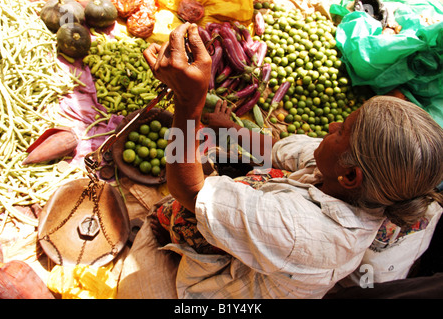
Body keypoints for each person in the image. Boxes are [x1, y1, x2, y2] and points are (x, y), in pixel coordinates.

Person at [139, 22, 443, 298]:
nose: (332, 127)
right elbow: (277, 150)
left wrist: (188, 102)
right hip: (282, 244)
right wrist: (232, 130)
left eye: (342, 132)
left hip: (224, 292)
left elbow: (188, 190)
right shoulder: (350, 180)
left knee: (184, 210)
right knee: (256, 172)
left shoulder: (299, 229)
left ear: (351, 176)